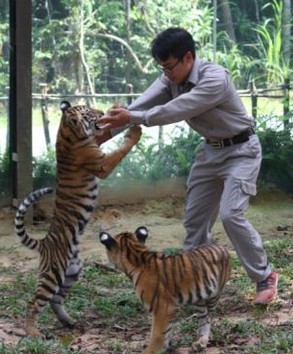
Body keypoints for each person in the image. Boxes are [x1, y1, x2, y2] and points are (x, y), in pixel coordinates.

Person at [97, 27, 278, 304]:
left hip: (242, 151)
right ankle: (195, 282)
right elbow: (140, 106)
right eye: (162, 68)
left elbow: (177, 109)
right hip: (210, 152)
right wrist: (106, 133)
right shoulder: (169, 77)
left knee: (231, 215)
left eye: (169, 67)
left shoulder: (215, 79)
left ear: (188, 59)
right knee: (195, 222)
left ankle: (264, 276)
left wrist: (133, 116)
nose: (166, 73)